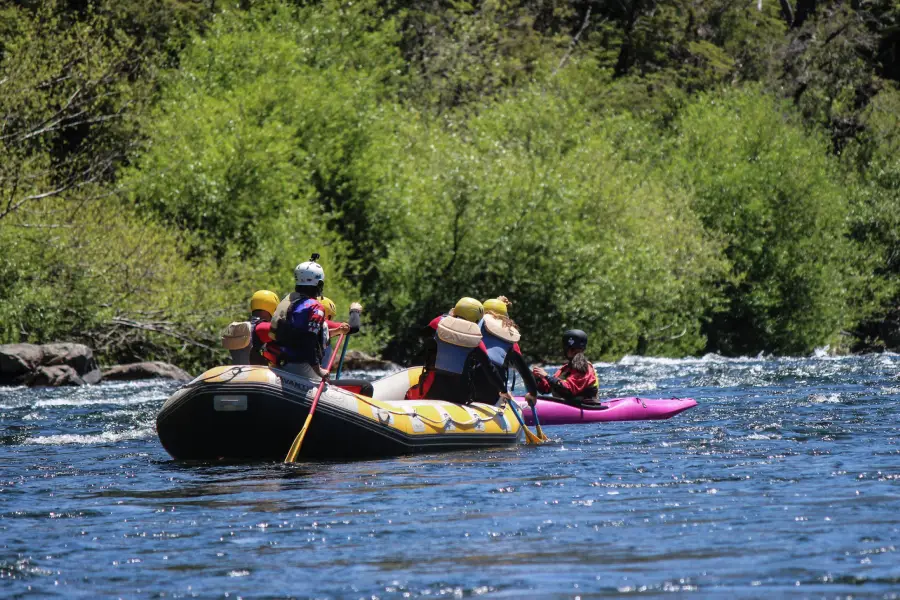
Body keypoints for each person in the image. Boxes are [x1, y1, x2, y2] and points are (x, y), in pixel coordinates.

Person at [406, 297, 510, 405]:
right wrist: (503, 390)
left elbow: (422, 333)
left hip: (433, 388)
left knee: (409, 395)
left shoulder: (438, 323)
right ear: (476, 320)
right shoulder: (477, 341)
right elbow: (489, 368)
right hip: (459, 396)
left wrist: (448, 315)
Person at [267, 254, 329, 379]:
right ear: (320, 284)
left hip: (284, 363)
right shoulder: (315, 307)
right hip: (304, 368)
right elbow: (309, 341)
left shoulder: (290, 301)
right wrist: (319, 370)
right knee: (365, 386)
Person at [472, 296, 538, 407]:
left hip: (467, 386)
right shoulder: (509, 338)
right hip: (492, 390)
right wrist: (533, 393)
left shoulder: (472, 330)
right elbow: (524, 371)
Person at [532, 329, 600, 404]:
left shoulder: (585, 368)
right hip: (568, 406)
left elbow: (568, 390)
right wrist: (538, 378)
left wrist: (547, 376)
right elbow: (546, 389)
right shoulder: (565, 369)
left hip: (585, 407)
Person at [222, 289, 279, 366]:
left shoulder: (241, 329)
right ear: (274, 308)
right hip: (257, 375)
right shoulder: (264, 327)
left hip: (239, 374)